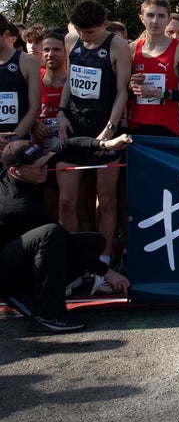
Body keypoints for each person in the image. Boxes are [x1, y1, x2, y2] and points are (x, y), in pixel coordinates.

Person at [0, 136, 131, 332]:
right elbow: (62, 239)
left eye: (44, 161)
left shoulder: (20, 172)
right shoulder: (18, 206)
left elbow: (69, 145)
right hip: (5, 269)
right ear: (15, 171)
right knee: (51, 234)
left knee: (94, 242)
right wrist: (106, 271)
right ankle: (49, 314)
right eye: (38, 165)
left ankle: (28, 293)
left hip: (20, 253)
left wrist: (105, 144)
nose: (45, 167)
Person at [57, 0, 132, 295]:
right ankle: (71, 264)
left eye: (90, 32)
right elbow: (70, 79)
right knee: (67, 201)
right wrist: (62, 113)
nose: (85, 37)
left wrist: (110, 129)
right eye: (81, 32)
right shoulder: (70, 39)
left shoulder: (117, 46)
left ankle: (103, 263)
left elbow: (122, 91)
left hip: (105, 126)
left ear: (103, 24)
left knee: (106, 200)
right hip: (75, 127)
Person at [128, 0, 179, 137]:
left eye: (161, 16)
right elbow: (123, 92)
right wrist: (130, 85)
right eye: (150, 15)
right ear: (142, 18)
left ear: (167, 19)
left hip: (168, 127)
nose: (155, 21)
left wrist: (161, 93)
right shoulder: (133, 48)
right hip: (137, 126)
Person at [0, 13, 42, 146]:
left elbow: (35, 107)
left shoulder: (27, 61)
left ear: (6, 34)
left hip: (18, 142)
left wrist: (13, 139)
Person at [34, 31, 67, 148]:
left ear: (66, 53)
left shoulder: (74, 82)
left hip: (69, 149)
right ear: (41, 53)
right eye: (46, 50)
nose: (51, 54)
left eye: (56, 50)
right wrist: (34, 123)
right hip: (38, 151)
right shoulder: (33, 81)